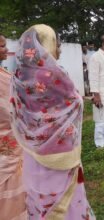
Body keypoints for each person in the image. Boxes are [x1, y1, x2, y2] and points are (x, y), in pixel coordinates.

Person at [10, 24, 95, 219]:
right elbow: (75, 102)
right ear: (45, 44)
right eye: (56, 42)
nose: (60, 48)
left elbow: (15, 107)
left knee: (41, 194)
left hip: (33, 148)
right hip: (59, 150)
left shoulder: (19, 76)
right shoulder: (54, 74)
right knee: (66, 197)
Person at [0, 33, 27, 220]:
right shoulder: (6, 79)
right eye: (2, 46)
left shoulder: (6, 76)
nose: (5, 49)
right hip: (7, 145)